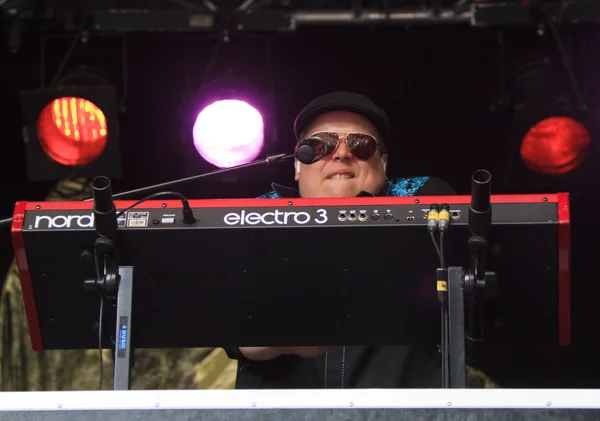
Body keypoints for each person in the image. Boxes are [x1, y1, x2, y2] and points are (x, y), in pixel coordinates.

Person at [223, 91, 491, 389]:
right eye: (320, 145)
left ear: (384, 163)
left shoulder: (426, 204)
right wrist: (274, 339)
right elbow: (225, 324)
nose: (340, 153)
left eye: (359, 145)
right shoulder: (253, 218)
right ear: (297, 165)